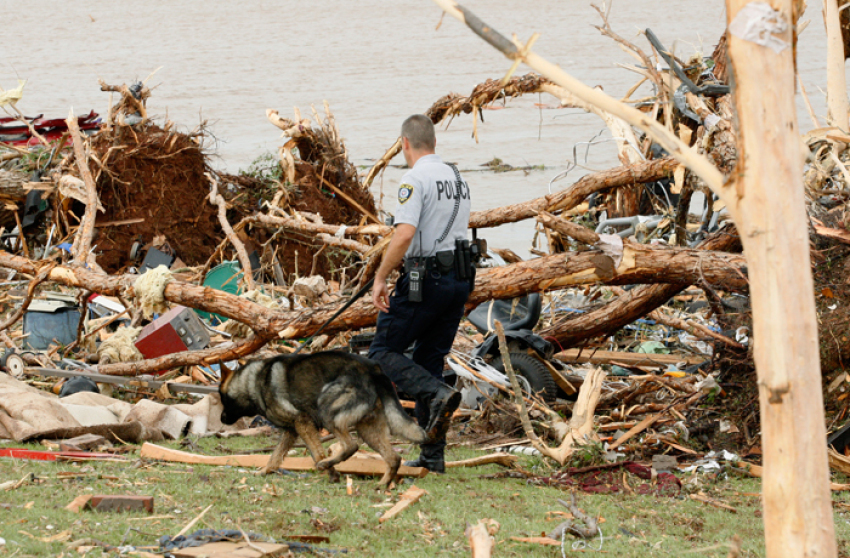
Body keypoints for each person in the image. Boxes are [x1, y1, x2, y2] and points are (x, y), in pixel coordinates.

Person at [368, 114, 473, 473]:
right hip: (461, 278)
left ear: (405, 144)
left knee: (382, 351)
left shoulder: (414, 178)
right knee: (430, 358)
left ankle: (438, 394)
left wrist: (380, 277)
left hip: (427, 279)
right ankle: (432, 456)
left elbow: (404, 234)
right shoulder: (457, 177)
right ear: (434, 142)